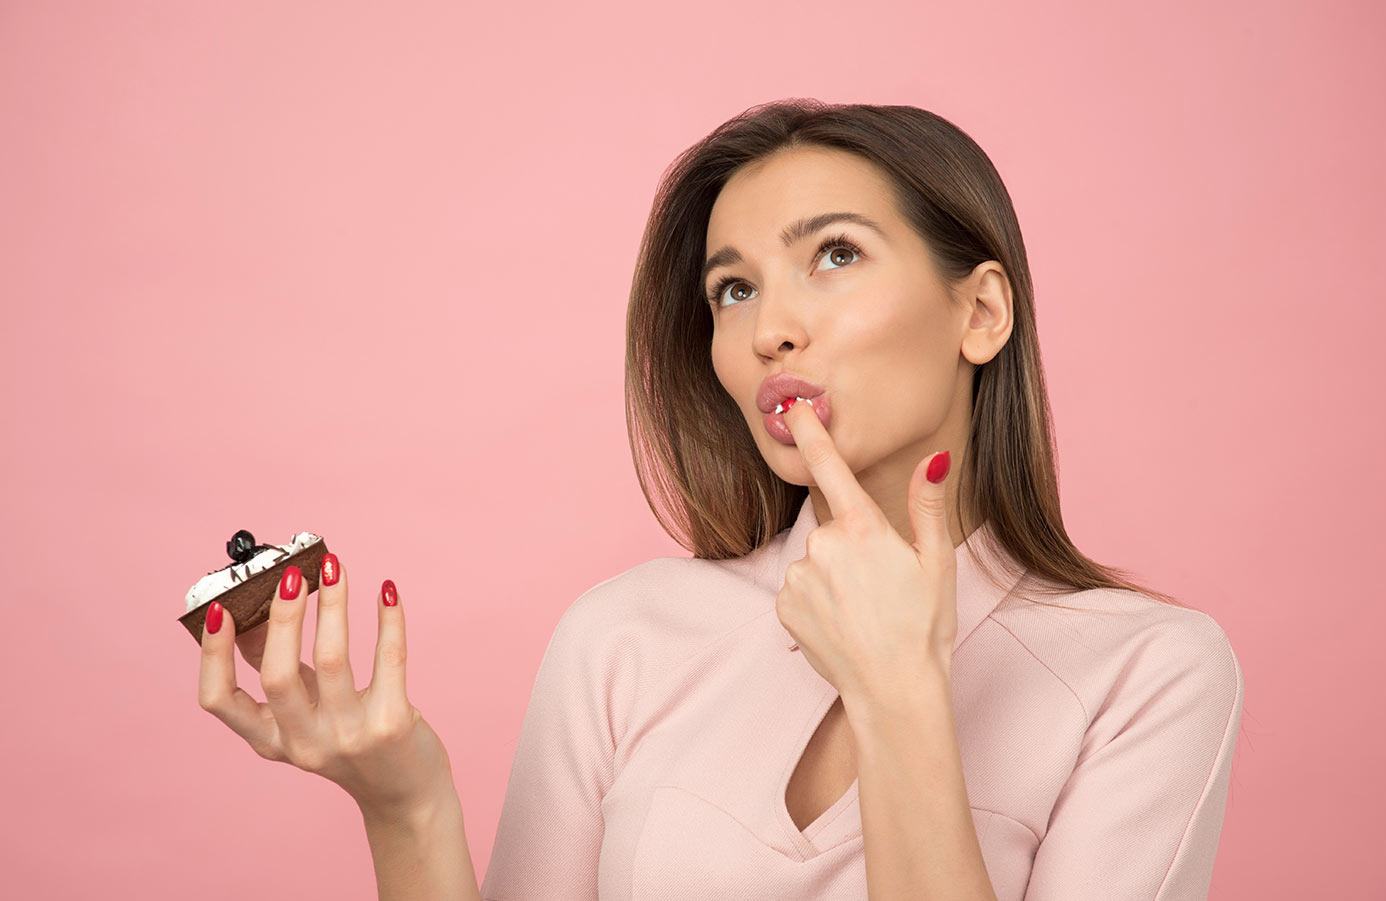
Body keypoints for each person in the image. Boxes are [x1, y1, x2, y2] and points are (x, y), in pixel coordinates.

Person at [195, 100, 1244, 900]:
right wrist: (406, 800)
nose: (768, 330)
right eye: (731, 288)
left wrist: (899, 692)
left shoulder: (1147, 673)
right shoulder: (626, 635)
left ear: (979, 311)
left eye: (832, 255)